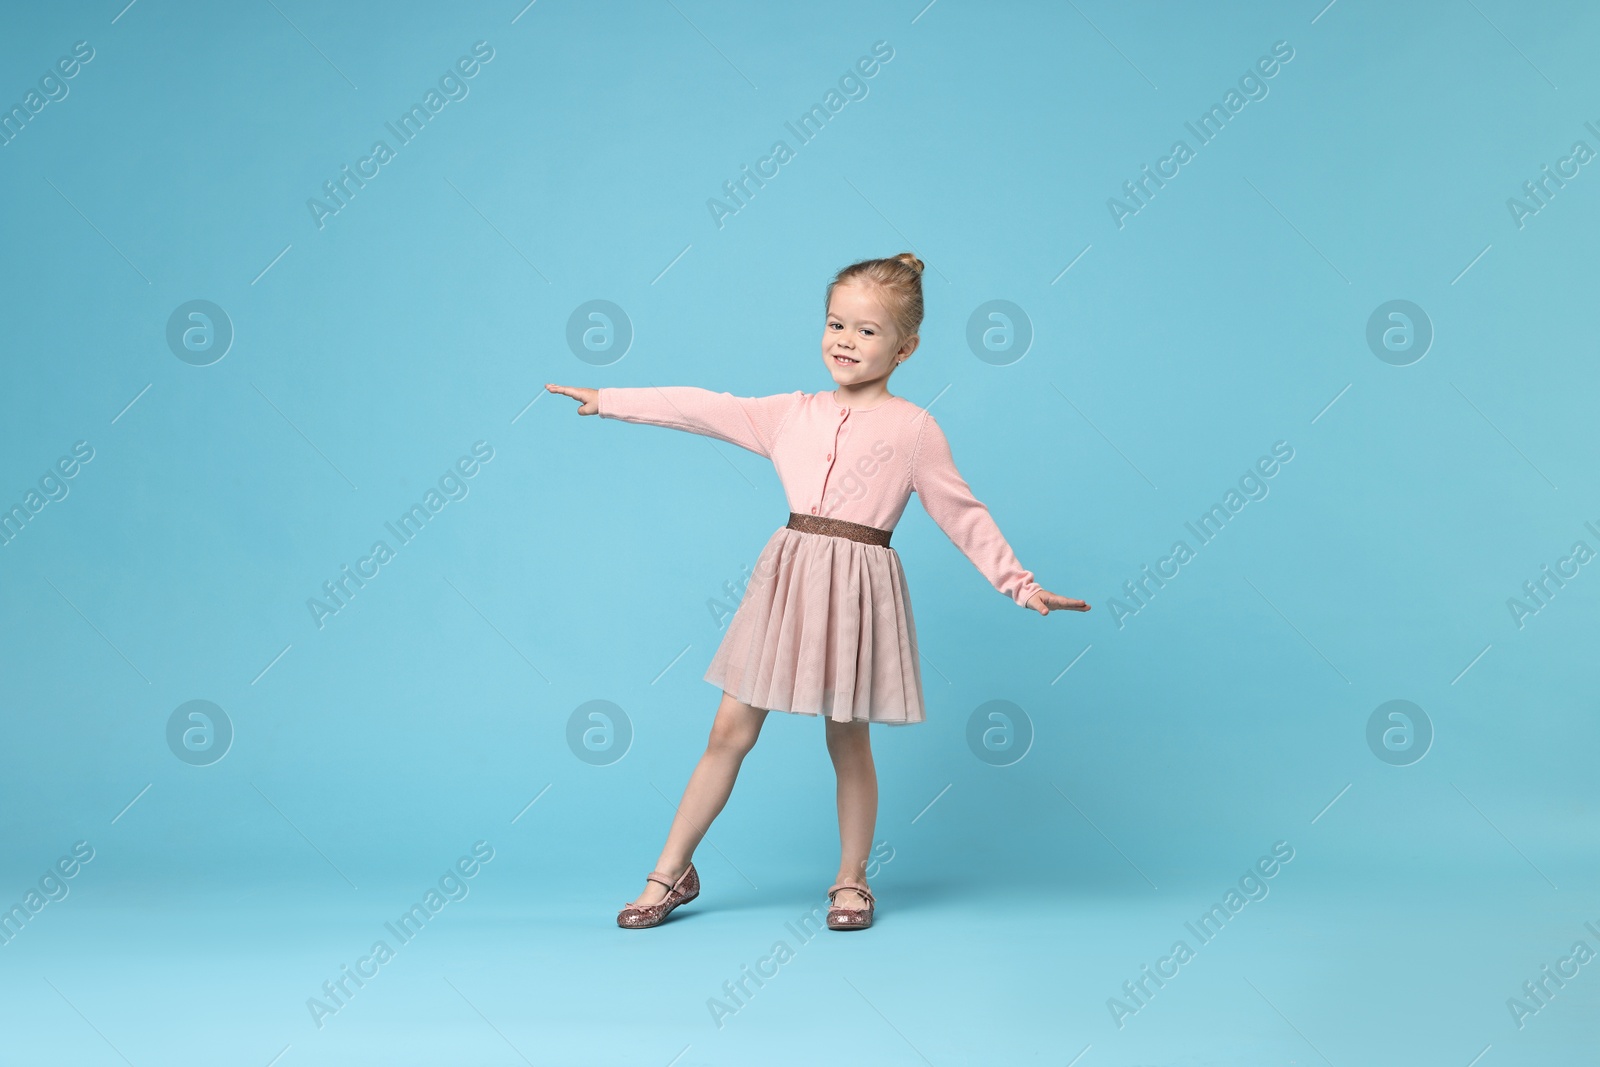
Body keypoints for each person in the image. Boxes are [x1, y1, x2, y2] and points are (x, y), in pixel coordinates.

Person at [545, 252, 1090, 932]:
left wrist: (1021, 585)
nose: (845, 341)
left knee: (847, 737)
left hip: (860, 585)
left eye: (867, 330)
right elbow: (703, 406)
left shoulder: (915, 429)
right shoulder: (789, 414)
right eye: (837, 324)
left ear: (906, 346)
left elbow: (962, 512)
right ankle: (669, 873)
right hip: (788, 578)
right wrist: (609, 402)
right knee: (728, 730)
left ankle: (851, 880)